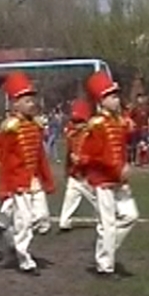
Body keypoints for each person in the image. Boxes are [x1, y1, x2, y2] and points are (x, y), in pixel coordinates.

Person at [77, 71, 139, 278]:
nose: (117, 100)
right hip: (102, 180)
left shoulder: (118, 121)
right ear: (101, 101)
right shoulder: (97, 125)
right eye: (112, 96)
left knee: (130, 216)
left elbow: (126, 138)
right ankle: (105, 265)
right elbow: (87, 156)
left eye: (116, 95)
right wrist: (115, 167)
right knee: (108, 224)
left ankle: (106, 250)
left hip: (119, 179)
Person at [0, 72, 55, 276]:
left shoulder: (35, 126)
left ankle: (9, 235)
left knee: (43, 218)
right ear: (15, 104)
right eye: (27, 100)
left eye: (32, 100)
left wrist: (47, 181)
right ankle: (24, 258)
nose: (32, 104)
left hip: (34, 180)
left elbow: (40, 157)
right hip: (18, 181)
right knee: (25, 220)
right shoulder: (10, 128)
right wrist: (5, 188)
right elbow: (5, 161)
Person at [58, 99, 95, 232]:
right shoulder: (71, 135)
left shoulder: (91, 135)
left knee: (96, 200)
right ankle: (64, 221)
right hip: (75, 175)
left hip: (87, 176)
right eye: (74, 121)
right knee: (70, 198)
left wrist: (81, 160)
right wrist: (66, 170)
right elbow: (68, 155)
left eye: (79, 121)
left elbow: (94, 155)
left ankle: (108, 217)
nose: (76, 125)